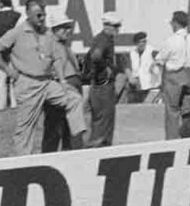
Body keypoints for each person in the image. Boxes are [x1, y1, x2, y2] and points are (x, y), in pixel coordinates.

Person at [0, 0, 86, 156]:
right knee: (25, 129)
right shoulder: (17, 32)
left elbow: (56, 58)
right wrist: (8, 70)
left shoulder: (48, 33)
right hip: (27, 83)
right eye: (38, 15)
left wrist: (62, 81)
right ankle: (23, 163)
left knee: (74, 99)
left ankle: (76, 146)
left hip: (47, 83)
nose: (42, 19)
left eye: (44, 15)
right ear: (28, 14)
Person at [40, 11, 84, 154]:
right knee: (54, 130)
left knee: (70, 133)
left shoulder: (63, 45)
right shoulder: (49, 44)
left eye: (69, 27)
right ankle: (47, 161)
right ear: (54, 29)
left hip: (71, 86)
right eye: (64, 27)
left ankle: (71, 157)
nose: (68, 30)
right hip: (59, 89)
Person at [156, 9, 190, 140]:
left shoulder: (171, 40)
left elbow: (160, 60)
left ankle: (172, 141)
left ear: (175, 23)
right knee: (188, 111)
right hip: (189, 75)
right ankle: (189, 137)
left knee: (172, 111)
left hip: (174, 76)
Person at [84, 11, 123, 147]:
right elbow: (96, 56)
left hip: (98, 84)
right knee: (104, 122)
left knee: (100, 121)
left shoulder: (102, 38)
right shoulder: (104, 38)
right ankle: (101, 152)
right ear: (107, 26)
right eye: (116, 26)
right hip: (103, 86)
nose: (118, 29)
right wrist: (105, 68)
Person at [124, 31, 157, 104]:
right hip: (135, 85)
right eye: (140, 42)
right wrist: (130, 78)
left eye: (144, 41)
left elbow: (161, 60)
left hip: (149, 85)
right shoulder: (132, 53)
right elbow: (127, 67)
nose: (142, 44)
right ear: (136, 43)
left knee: (147, 108)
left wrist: (154, 64)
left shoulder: (152, 51)